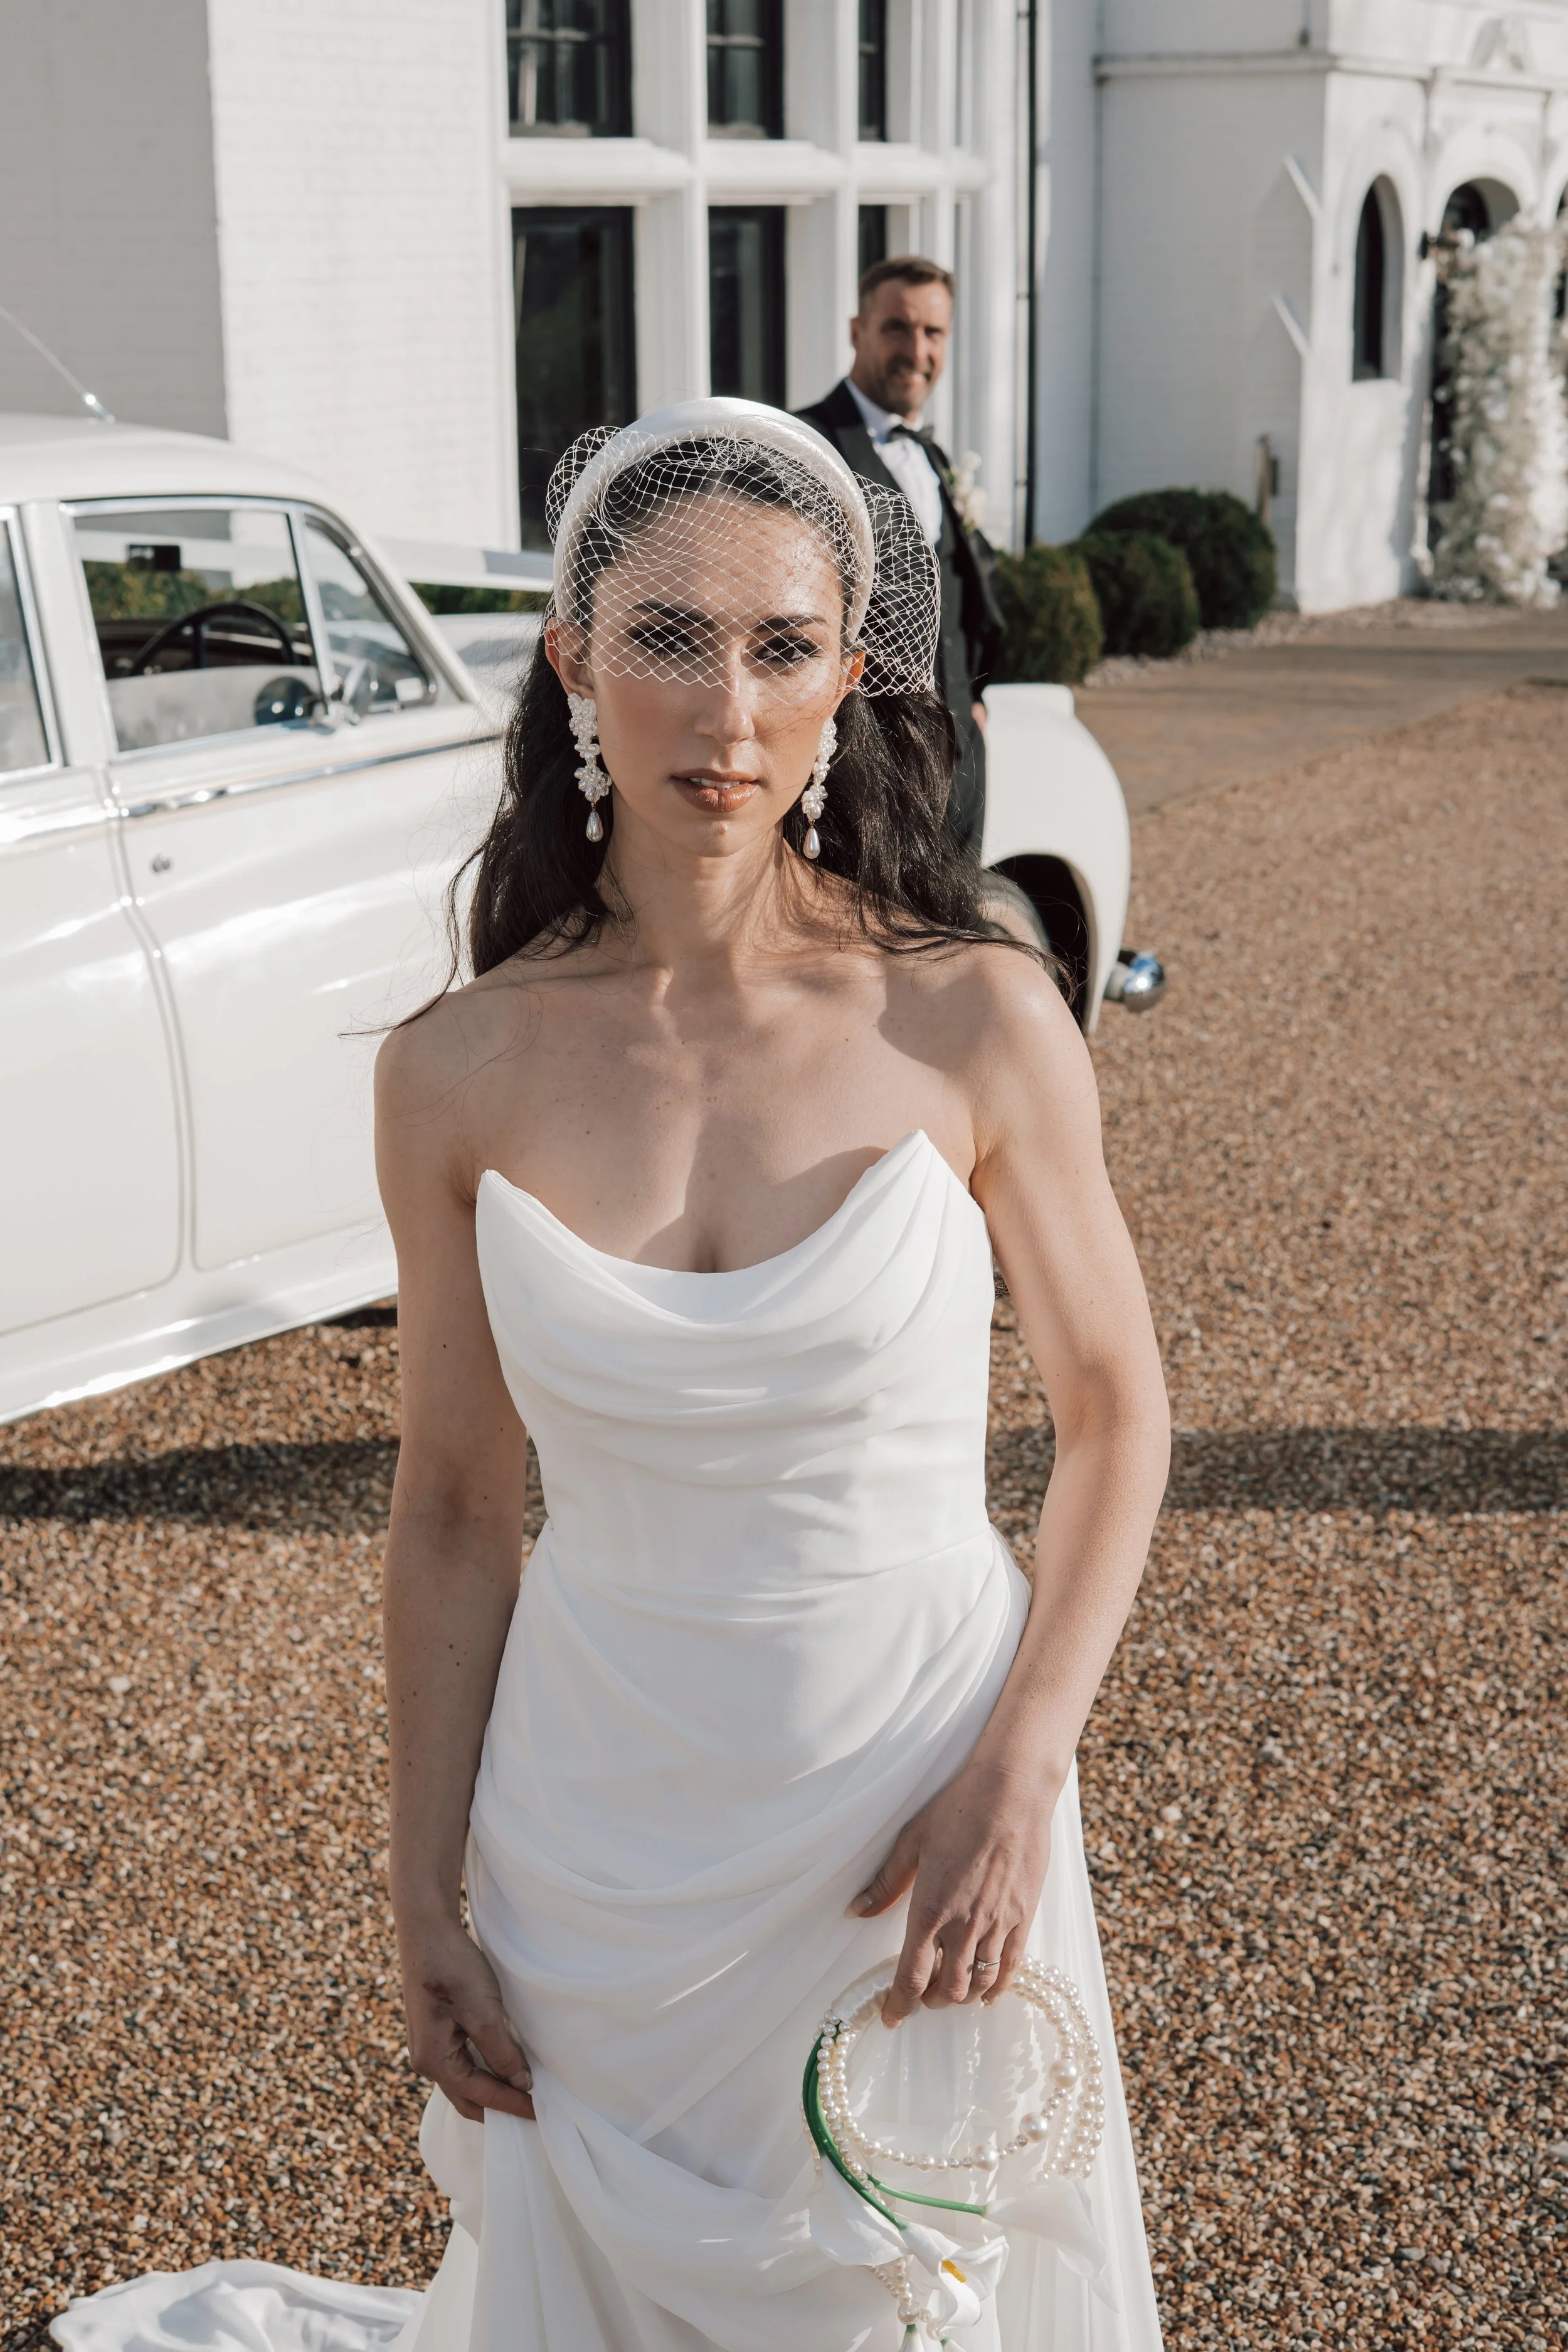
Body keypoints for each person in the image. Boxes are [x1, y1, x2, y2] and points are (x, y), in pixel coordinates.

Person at [54, 398, 1168, 2352]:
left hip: (910, 1792)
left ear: (847, 675)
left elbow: (1113, 1409)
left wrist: (1017, 1768)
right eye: (666, 636)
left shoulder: (975, 1014)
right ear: (571, 656)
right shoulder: (455, 1067)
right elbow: (451, 1507)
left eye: (779, 646)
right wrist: (422, 1892)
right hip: (592, 1827)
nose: (725, 711)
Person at [797, 255, 1004, 861]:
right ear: (856, 331)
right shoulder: (809, 445)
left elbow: (962, 590)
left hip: (961, 764)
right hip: (859, 770)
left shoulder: (934, 458)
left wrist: (972, 699)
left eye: (933, 332)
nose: (917, 350)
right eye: (897, 327)